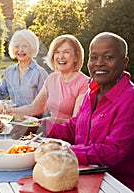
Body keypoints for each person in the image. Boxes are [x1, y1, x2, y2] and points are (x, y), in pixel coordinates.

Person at [45, 32, 134, 190]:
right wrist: (42, 128)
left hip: (115, 184)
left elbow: (114, 151)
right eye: (93, 57)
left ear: (124, 62)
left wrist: (67, 152)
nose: (99, 63)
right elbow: (76, 127)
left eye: (108, 57)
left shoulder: (130, 99)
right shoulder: (91, 91)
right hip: (83, 175)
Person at [13, 34, 89, 123]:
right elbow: (34, 108)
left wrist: (50, 121)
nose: (61, 56)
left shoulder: (84, 83)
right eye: (57, 52)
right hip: (50, 131)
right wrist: (11, 111)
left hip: (69, 135)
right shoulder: (52, 78)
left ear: (76, 56)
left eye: (66, 52)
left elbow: (76, 122)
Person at [0, 29, 48, 107]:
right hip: (13, 117)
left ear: (32, 48)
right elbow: (0, 97)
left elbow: (45, 105)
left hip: (33, 118)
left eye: (25, 46)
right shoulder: (9, 71)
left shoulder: (40, 73)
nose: (20, 50)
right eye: (17, 46)